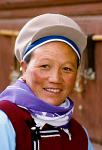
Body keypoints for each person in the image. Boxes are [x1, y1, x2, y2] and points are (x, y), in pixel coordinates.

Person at [0, 13, 94, 150]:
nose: (55, 79)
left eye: (67, 68)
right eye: (44, 66)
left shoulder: (80, 135)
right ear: (24, 68)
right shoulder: (5, 122)